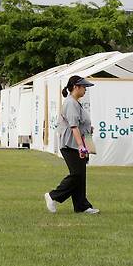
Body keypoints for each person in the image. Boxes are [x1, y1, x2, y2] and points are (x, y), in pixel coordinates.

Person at [44, 75, 99, 215]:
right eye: (84, 87)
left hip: (78, 143)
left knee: (81, 176)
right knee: (76, 175)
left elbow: (79, 124)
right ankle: (53, 196)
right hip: (71, 145)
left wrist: (87, 131)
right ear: (76, 87)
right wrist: (81, 146)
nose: (85, 89)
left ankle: (82, 206)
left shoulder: (75, 102)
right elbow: (74, 126)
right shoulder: (70, 103)